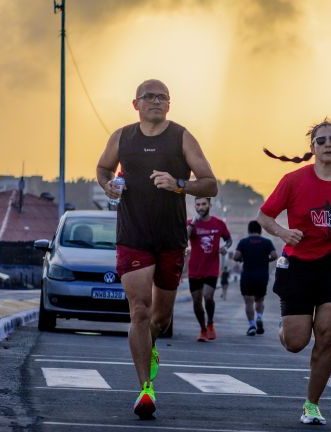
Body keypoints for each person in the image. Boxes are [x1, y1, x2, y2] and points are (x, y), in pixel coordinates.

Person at [96, 79, 217, 420]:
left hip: (170, 239)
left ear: (169, 104)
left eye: (162, 97)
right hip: (132, 235)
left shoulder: (181, 137)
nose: (155, 101)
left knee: (160, 320)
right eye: (148, 96)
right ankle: (145, 388)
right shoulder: (121, 137)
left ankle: (151, 348)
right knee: (139, 310)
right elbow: (104, 167)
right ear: (135, 104)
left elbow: (211, 184)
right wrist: (108, 186)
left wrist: (179, 184)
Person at [258, 119, 331, 425]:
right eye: (321, 141)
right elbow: (264, 216)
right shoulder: (293, 180)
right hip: (298, 264)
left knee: (327, 335)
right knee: (297, 342)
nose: (327, 145)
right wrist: (283, 233)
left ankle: (312, 404)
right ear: (311, 148)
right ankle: (284, 330)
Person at [187, 197, 232, 342]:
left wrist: (225, 247)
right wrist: (193, 224)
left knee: (208, 296)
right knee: (196, 300)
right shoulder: (191, 223)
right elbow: (184, 238)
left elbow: (228, 239)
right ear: (195, 206)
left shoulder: (219, 224)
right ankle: (203, 329)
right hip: (194, 268)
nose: (201, 207)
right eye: (198, 204)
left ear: (209, 205)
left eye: (203, 204)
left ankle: (210, 322)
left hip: (211, 267)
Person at [233, 220, 277, 336]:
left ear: (249, 230)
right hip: (262, 276)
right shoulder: (267, 242)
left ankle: (252, 325)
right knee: (260, 300)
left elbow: (236, 256)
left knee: (248, 302)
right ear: (260, 230)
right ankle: (259, 317)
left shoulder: (243, 242)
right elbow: (274, 256)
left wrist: (242, 259)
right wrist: (265, 260)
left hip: (247, 275)